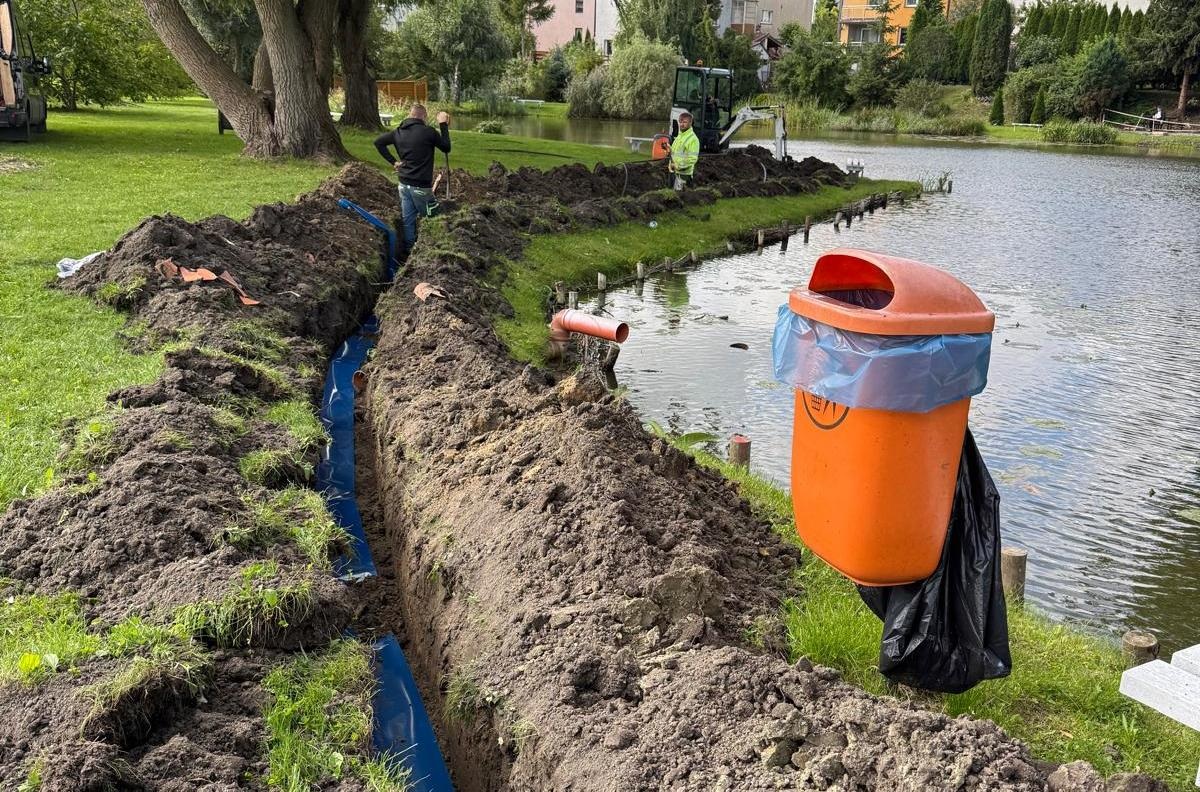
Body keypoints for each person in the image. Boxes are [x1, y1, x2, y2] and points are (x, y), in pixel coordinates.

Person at [373, 104, 451, 254]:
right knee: (432, 220)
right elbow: (446, 147)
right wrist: (442, 124)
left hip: (403, 185)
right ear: (423, 117)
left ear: (410, 115)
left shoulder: (398, 132)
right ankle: (433, 252)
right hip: (421, 188)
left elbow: (378, 142)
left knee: (408, 222)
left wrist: (393, 162)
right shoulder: (429, 132)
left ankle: (410, 252)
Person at [668, 111, 700, 192]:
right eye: (680, 121)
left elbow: (692, 159)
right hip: (673, 172)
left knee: (682, 198)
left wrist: (678, 166)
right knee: (672, 196)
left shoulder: (693, 139)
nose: (681, 124)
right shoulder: (680, 135)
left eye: (684, 122)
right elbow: (676, 153)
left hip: (684, 175)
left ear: (690, 123)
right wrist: (668, 148)